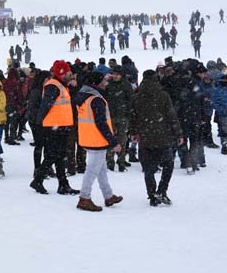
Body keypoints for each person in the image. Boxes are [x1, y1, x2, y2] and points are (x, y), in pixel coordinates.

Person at [130, 69, 184, 206]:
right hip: (162, 135)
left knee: (148, 169)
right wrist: (178, 133)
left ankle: (152, 194)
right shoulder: (163, 95)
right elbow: (171, 115)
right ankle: (162, 190)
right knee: (168, 164)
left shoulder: (137, 96)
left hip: (145, 136)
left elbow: (132, 117)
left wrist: (133, 132)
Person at [30, 60, 80, 196]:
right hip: (53, 127)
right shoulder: (54, 86)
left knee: (60, 156)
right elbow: (45, 105)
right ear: (62, 73)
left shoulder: (62, 86)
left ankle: (63, 184)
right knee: (53, 155)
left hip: (61, 126)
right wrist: (39, 123)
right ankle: (39, 179)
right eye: (69, 73)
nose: (71, 75)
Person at [75, 72, 123, 212]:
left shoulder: (84, 96)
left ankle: (108, 195)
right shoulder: (96, 99)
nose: (106, 82)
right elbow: (101, 123)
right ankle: (84, 198)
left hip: (88, 137)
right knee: (92, 170)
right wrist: (113, 142)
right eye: (103, 80)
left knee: (101, 169)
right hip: (97, 139)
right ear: (96, 83)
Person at [104, 66, 132, 172]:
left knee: (122, 140)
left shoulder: (126, 85)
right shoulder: (109, 84)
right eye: (114, 74)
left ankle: (121, 162)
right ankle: (110, 162)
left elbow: (130, 100)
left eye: (117, 74)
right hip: (110, 115)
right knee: (110, 139)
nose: (115, 76)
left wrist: (128, 113)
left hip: (122, 116)